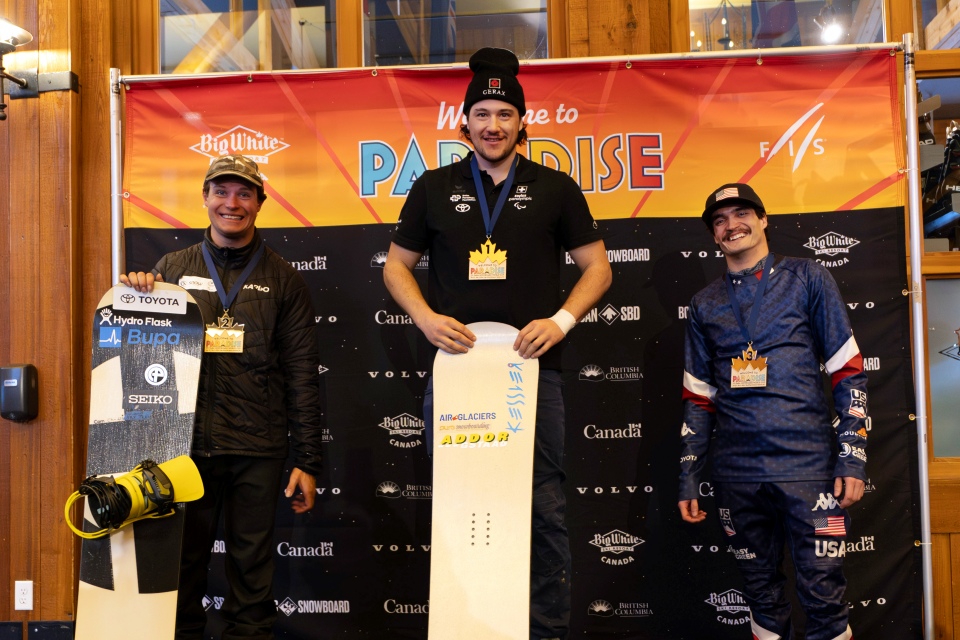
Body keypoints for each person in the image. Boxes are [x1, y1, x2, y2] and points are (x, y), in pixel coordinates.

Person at [383, 47, 612, 640]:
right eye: (482, 113)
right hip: (457, 370)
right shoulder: (432, 187)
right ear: (464, 123)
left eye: (504, 115)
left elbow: (598, 268)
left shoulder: (556, 187)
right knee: (460, 502)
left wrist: (560, 322)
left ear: (522, 124)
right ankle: (469, 626)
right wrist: (427, 319)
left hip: (535, 371)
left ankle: (545, 632)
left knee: (543, 510)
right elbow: (396, 267)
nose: (493, 125)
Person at [121, 154, 323, 640]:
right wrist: (137, 293)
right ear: (206, 197)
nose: (232, 203)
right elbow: (143, 353)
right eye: (222, 192)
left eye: (244, 193)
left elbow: (302, 374)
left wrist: (308, 460)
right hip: (185, 449)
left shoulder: (283, 278)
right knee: (181, 571)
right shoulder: (172, 267)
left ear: (260, 202)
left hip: (259, 449)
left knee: (252, 576)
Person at [677, 183, 868, 640]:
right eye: (720, 220)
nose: (731, 225)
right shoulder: (705, 303)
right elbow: (698, 397)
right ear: (713, 235)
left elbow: (848, 372)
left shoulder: (808, 276)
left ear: (764, 220)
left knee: (824, 594)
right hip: (737, 474)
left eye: (742, 213)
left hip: (811, 471)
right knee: (759, 595)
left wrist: (852, 457)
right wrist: (688, 475)